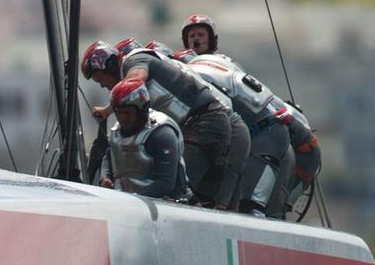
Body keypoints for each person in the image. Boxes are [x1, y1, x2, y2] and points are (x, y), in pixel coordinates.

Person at [81, 39, 244, 210]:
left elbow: (136, 81)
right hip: (201, 123)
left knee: (178, 187)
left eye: (101, 79)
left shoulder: (134, 61)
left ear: (110, 65)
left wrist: (108, 110)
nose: (102, 85)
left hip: (204, 121)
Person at [175, 48, 293, 218]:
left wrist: (222, 203)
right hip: (273, 133)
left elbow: (233, 151)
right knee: (251, 208)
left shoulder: (195, 76)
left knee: (252, 210)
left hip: (265, 135)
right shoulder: (217, 71)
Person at [98, 79, 188, 199]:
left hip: (166, 205)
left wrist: (134, 202)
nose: (123, 118)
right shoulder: (116, 131)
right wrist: (105, 177)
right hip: (130, 202)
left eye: (128, 112)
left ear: (142, 110)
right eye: (119, 113)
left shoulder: (162, 134)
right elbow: (109, 156)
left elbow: (166, 183)